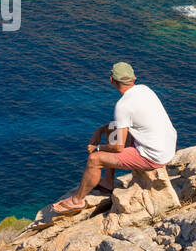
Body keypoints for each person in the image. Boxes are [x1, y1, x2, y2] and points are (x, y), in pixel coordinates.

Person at [52, 61, 177, 214]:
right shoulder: (145, 89)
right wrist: (101, 130)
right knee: (113, 131)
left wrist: (97, 148)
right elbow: (121, 125)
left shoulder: (123, 105)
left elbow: (118, 147)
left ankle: (77, 201)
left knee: (94, 160)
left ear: (112, 80)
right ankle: (107, 182)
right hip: (168, 145)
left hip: (154, 156)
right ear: (134, 78)